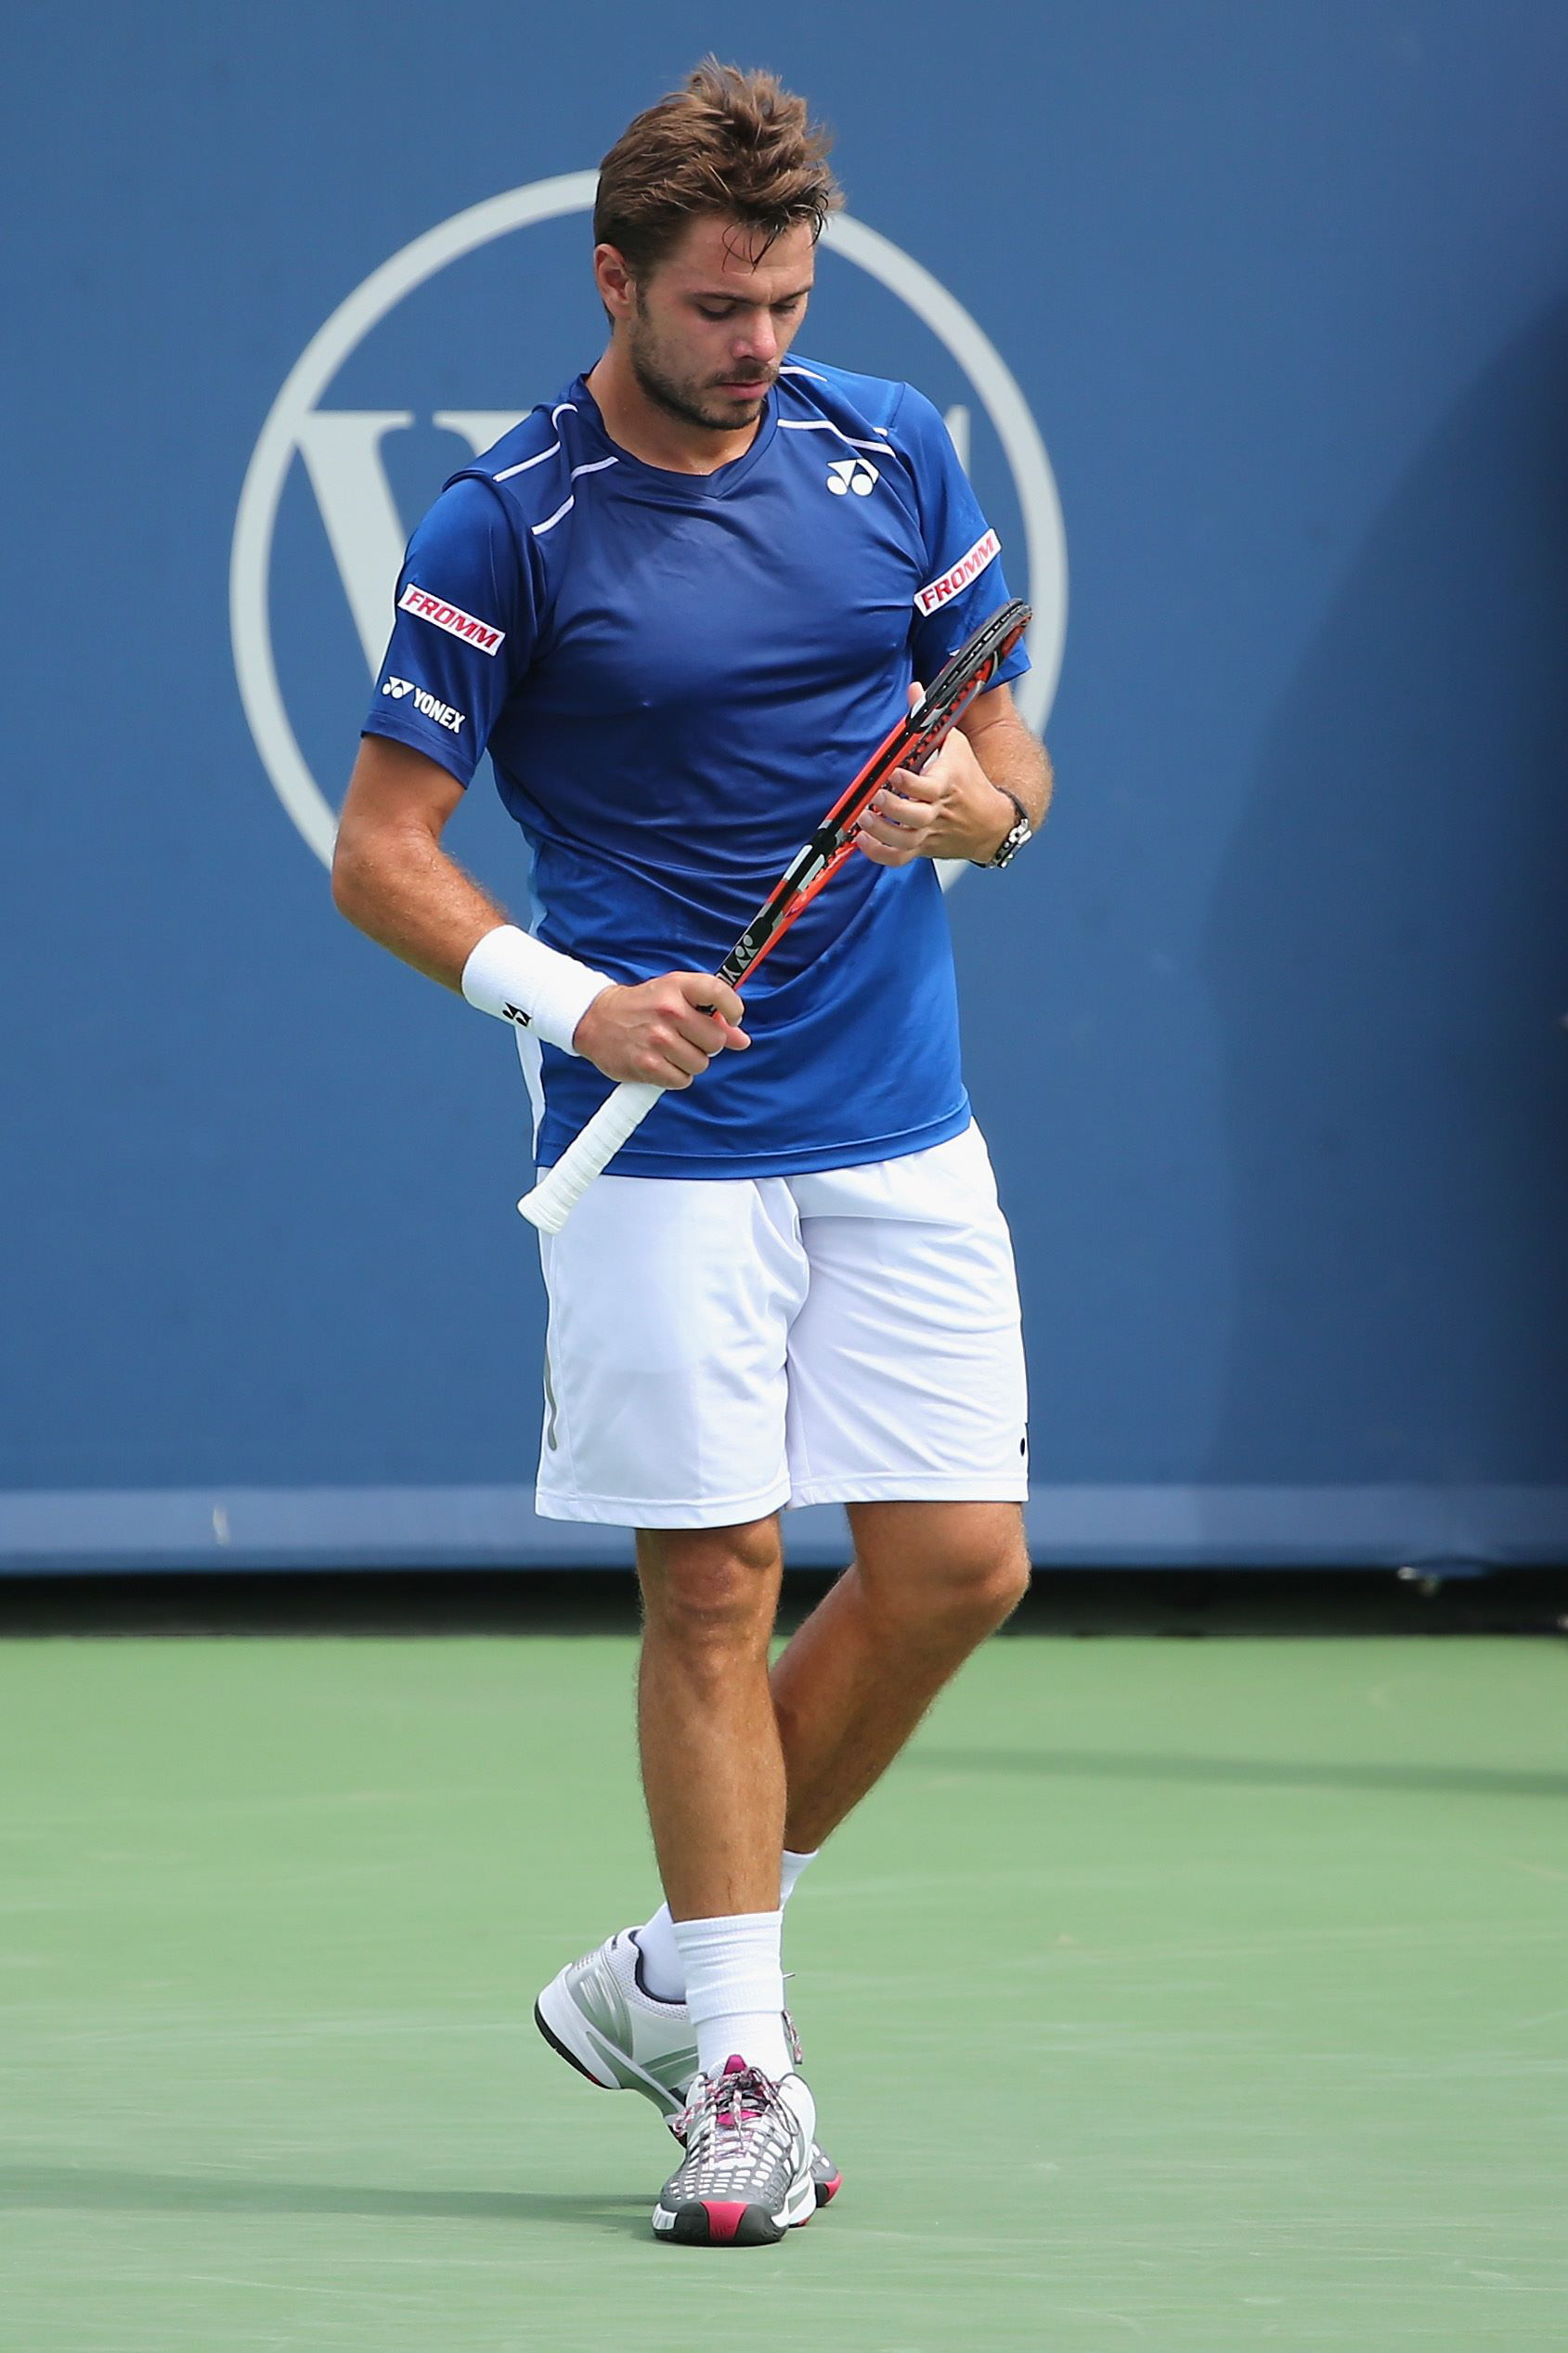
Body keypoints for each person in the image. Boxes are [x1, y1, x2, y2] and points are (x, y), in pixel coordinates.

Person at [331, 58, 1052, 2250]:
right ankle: (738, 2064)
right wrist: (573, 1001)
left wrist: (975, 815)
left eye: (788, 303)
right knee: (713, 1587)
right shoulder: (502, 524)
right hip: (655, 1145)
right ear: (616, 278)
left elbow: (1000, 747)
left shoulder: (887, 444)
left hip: (897, 1115)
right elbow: (384, 853)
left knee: (956, 1568)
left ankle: (662, 1964)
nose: (760, 348)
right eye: (721, 309)